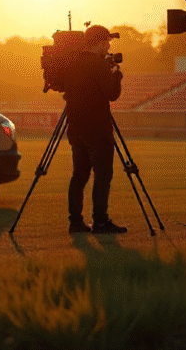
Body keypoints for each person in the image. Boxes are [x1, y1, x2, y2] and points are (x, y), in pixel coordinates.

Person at [63, 25, 127, 234]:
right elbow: (111, 93)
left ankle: (75, 222)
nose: (108, 46)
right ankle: (100, 222)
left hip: (76, 127)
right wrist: (116, 76)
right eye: (106, 42)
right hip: (97, 128)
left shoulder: (72, 63)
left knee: (79, 175)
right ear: (99, 43)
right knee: (102, 175)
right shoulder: (98, 65)